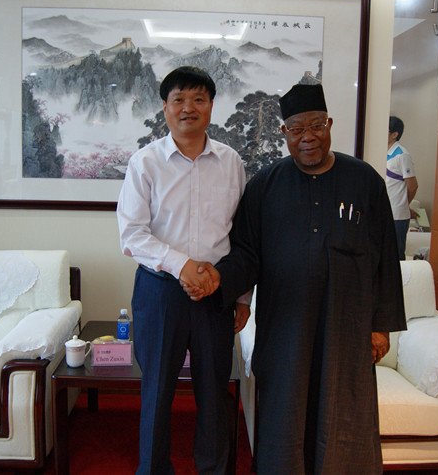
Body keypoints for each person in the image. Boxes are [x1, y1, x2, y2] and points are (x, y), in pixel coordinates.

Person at [184, 84, 407, 474]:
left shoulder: (364, 181)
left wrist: (381, 326)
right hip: (285, 328)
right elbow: (247, 253)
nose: (308, 137)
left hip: (346, 327)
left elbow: (386, 257)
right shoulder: (264, 186)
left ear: (329, 125)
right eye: (297, 129)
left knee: (344, 411)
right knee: (284, 412)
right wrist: (218, 278)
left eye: (316, 126)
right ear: (284, 132)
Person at [117, 66, 250, 475]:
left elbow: (241, 234)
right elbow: (132, 234)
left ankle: (214, 469)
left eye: (198, 99)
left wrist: (241, 295)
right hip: (160, 292)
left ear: (211, 106)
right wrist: (182, 266)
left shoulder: (231, 162)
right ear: (165, 107)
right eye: (179, 99)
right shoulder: (145, 162)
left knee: (214, 391)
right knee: (157, 389)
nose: (188, 108)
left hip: (216, 292)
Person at [386, 115, 419, 260]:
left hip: (397, 215)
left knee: (396, 254)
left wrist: (405, 205)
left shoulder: (402, 155)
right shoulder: (382, 151)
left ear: (394, 134)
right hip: (384, 211)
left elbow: (413, 186)